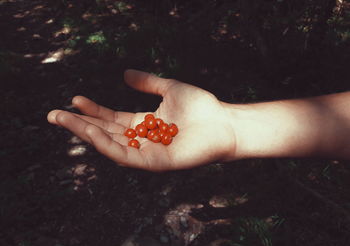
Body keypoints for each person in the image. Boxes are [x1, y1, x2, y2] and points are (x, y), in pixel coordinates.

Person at [47, 69, 350, 171]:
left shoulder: (159, 131)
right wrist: (230, 126)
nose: (152, 131)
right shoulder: (156, 130)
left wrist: (230, 126)